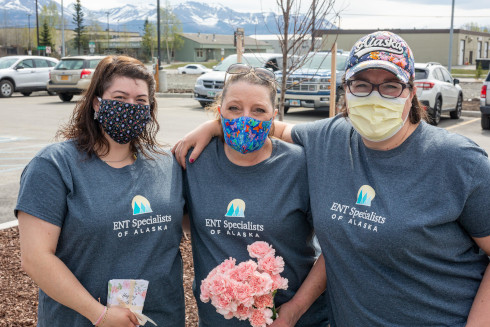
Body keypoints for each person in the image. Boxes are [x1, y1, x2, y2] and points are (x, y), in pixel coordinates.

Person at [173, 31, 490, 326]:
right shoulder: (331, 138)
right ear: (346, 90)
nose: (375, 96)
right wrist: (214, 126)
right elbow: (267, 124)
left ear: (411, 93)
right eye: (362, 84)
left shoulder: (458, 160)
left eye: (390, 85)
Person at [15, 55, 185, 327]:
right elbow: (35, 258)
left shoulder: (167, 165)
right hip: (81, 320)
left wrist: (212, 127)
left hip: (161, 318)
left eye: (141, 101)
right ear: (97, 103)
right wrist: (100, 314)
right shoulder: (54, 166)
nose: (130, 107)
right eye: (119, 97)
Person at [182, 63, 329, 326]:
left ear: (273, 117)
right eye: (234, 108)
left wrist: (294, 311)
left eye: (258, 110)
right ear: (220, 113)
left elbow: (334, 247)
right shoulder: (194, 161)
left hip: (293, 320)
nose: (245, 118)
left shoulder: (300, 166)